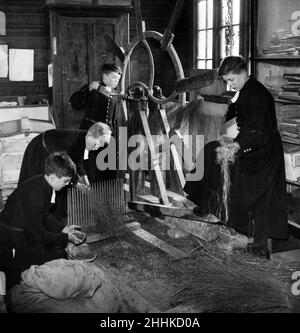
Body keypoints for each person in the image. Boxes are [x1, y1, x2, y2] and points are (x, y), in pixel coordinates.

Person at [184, 56, 289, 259]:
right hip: (250, 146)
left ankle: (259, 246)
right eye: (226, 81)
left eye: (231, 80)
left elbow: (259, 131)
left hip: (263, 155)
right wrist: (232, 139)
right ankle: (209, 204)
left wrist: (237, 145)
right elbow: (244, 121)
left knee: (259, 197)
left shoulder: (258, 95)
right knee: (210, 151)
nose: (229, 84)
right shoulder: (246, 90)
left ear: (243, 73)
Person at [0, 152, 83, 290]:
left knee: (57, 254)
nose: (67, 184)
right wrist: (65, 237)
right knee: (20, 280)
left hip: (24, 232)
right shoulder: (35, 195)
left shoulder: (42, 184)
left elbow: (44, 215)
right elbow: (36, 235)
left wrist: (63, 228)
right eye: (66, 181)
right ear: (53, 177)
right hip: (11, 241)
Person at [17, 122, 112, 218]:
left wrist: (86, 182)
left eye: (99, 146)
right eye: (96, 143)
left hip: (52, 154)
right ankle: (34, 218)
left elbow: (78, 162)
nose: (96, 148)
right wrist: (77, 184)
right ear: (90, 134)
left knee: (60, 185)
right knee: (38, 188)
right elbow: (66, 168)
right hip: (40, 150)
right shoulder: (75, 140)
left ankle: (53, 219)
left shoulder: (85, 140)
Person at [70, 62, 122, 131]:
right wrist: (88, 89)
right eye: (114, 77)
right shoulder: (93, 87)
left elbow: (114, 119)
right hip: (90, 131)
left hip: (107, 133)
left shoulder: (115, 93)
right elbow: (75, 103)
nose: (116, 81)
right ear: (105, 76)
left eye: (118, 79)